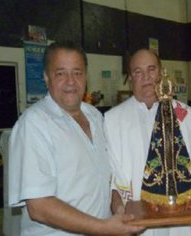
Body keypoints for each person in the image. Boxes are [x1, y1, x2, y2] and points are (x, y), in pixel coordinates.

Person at [8, 41, 143, 235]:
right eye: (61, 73)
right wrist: (104, 228)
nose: (71, 81)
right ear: (47, 78)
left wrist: (117, 207)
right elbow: (39, 206)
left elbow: (107, 177)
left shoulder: (95, 116)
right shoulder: (34, 124)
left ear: (85, 77)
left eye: (77, 72)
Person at [103, 49, 191, 236]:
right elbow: (113, 177)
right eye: (138, 72)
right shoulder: (112, 120)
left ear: (161, 72)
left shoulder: (186, 115)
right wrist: (119, 209)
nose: (146, 77)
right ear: (130, 79)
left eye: (151, 69)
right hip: (139, 219)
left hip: (183, 217)